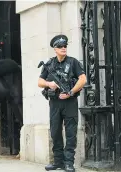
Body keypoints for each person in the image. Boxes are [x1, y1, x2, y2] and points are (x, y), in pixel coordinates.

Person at [38, 34, 87, 172]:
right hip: (54, 103)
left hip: (70, 102)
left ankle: (69, 163)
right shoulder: (49, 64)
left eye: (65, 46)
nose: (63, 48)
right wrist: (50, 83)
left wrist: (71, 92)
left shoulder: (73, 62)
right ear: (55, 49)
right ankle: (58, 162)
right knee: (55, 133)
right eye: (60, 46)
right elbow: (39, 82)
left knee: (71, 133)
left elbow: (83, 79)